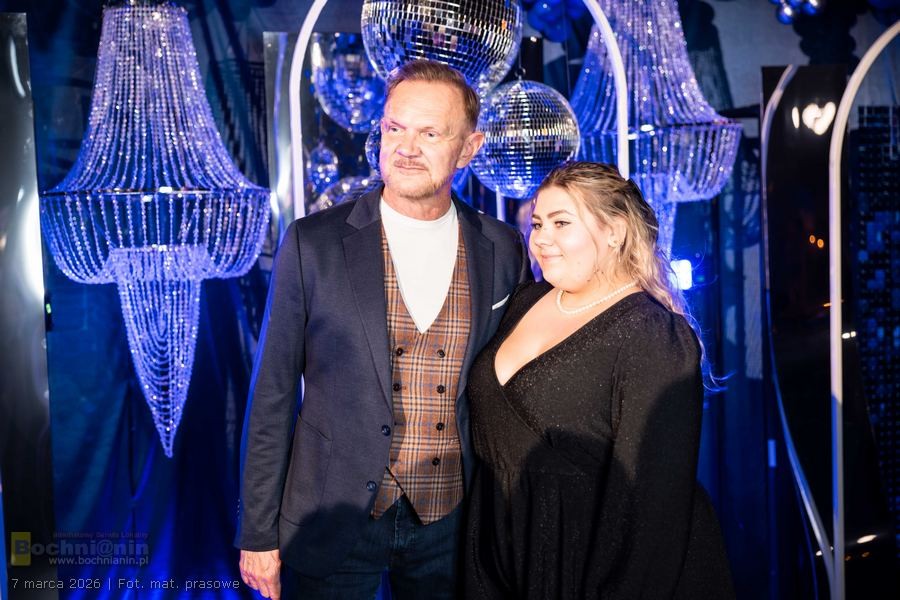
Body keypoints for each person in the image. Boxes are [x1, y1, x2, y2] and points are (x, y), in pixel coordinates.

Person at [235, 59, 531, 600]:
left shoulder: (503, 248)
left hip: (453, 520)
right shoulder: (312, 243)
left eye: (430, 133)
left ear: (469, 148)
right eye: (395, 127)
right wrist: (258, 532)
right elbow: (271, 394)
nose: (406, 148)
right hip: (332, 512)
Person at [463, 162, 735, 599]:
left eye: (561, 223)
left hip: (599, 567)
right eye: (537, 223)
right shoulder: (524, 300)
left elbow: (654, 504)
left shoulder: (652, 334)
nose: (540, 238)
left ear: (615, 232)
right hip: (508, 553)